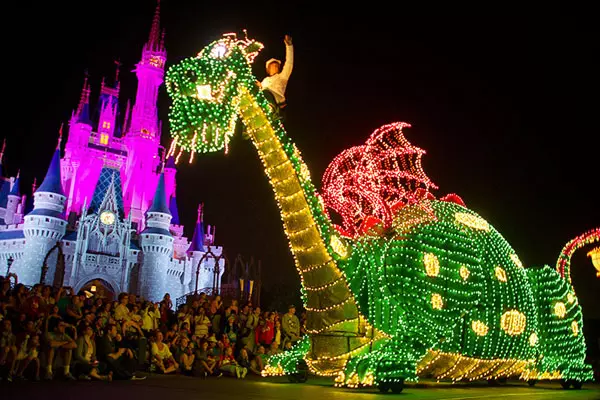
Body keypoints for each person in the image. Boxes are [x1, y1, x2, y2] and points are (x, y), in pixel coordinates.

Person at [259, 34, 293, 121]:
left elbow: (289, 62)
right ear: (268, 69)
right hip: (265, 99)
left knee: (265, 93)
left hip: (276, 102)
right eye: (273, 66)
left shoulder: (282, 76)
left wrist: (289, 46)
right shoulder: (265, 81)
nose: (276, 67)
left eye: (277, 66)